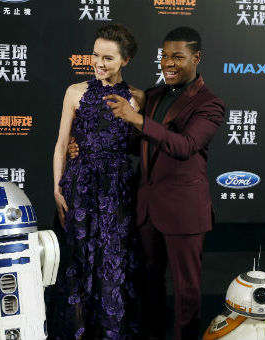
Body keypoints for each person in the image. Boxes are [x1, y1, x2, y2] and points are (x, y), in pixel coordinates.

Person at [70, 27, 225, 340]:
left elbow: (185, 145)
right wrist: (83, 145)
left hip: (184, 211)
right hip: (146, 209)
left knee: (186, 291)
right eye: (165, 55)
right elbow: (136, 144)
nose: (168, 62)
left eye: (177, 57)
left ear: (197, 58)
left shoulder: (210, 103)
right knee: (148, 286)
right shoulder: (153, 95)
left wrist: (136, 118)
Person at [49, 24, 144, 340]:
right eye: (95, 55)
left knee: (112, 265)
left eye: (108, 58)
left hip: (116, 192)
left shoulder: (138, 99)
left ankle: (109, 333)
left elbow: (140, 145)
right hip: (78, 190)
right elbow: (62, 143)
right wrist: (56, 187)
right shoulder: (75, 92)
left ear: (125, 61)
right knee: (77, 265)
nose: (99, 63)